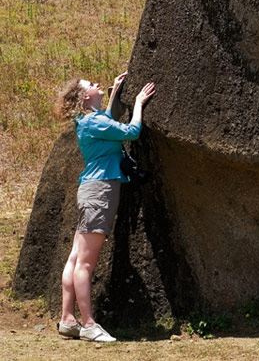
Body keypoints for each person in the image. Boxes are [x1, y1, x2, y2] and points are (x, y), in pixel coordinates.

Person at [55, 71, 155, 342]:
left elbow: (105, 123)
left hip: (90, 190)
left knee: (75, 258)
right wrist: (138, 103)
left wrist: (113, 99)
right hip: (100, 193)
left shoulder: (86, 121)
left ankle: (68, 319)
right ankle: (88, 325)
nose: (98, 84)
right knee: (85, 264)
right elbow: (132, 132)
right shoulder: (94, 121)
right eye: (92, 85)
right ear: (85, 96)